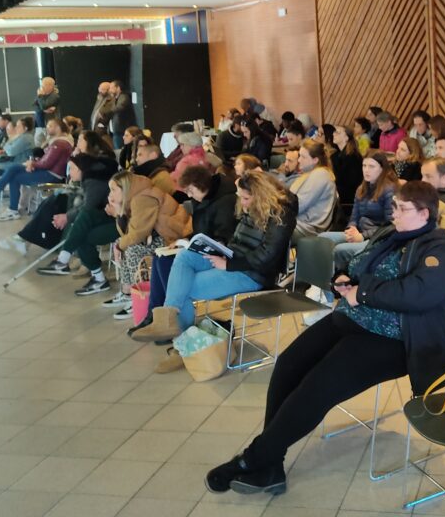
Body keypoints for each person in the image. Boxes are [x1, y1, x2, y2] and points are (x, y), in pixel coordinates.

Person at [203, 180, 445, 496]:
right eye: (394, 207)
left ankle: (253, 458)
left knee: (317, 387)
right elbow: (357, 263)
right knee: (288, 365)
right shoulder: (391, 234)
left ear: (425, 213)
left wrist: (363, 292)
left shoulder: (439, 246)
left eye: (402, 209)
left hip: (394, 339)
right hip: (352, 318)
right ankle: (271, 464)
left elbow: (424, 292)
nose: (394, 214)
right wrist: (344, 278)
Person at [132, 171, 297, 358]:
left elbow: (267, 255)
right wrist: (220, 247)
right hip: (233, 259)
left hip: (252, 273)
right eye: (240, 197)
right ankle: (170, 321)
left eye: (245, 198)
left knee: (183, 287)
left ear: (261, 195)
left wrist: (228, 265)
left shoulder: (281, 213)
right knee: (184, 257)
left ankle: (184, 348)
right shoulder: (255, 206)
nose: (242, 203)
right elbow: (240, 240)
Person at [76, 170, 191, 299]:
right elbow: (127, 233)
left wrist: (119, 245)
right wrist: (119, 212)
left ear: (124, 188)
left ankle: (138, 295)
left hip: (173, 238)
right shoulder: (134, 197)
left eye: (113, 190)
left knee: (132, 249)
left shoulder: (143, 198)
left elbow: (137, 235)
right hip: (158, 235)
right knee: (124, 244)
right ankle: (127, 292)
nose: (110, 194)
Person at [23, 133, 118, 263]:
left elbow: (91, 202)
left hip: (101, 208)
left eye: (80, 139)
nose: (77, 142)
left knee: (67, 204)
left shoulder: (97, 168)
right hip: (88, 197)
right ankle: (59, 247)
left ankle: (66, 252)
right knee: (55, 201)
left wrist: (67, 216)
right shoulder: (89, 164)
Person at [319, 151, 397, 265]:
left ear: (382, 169)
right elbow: (354, 216)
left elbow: (390, 225)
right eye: (364, 166)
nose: (366, 170)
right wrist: (352, 229)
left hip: (377, 238)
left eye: (371, 166)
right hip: (358, 232)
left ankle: (338, 278)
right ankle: (321, 277)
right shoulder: (361, 189)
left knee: (340, 249)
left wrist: (362, 236)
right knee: (322, 238)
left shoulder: (389, 190)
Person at [0, 118, 74, 221]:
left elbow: (47, 164)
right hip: (48, 171)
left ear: (58, 128)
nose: (47, 128)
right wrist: (34, 163)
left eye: (50, 126)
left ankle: (7, 202)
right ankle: (1, 192)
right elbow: (46, 161)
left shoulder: (60, 144)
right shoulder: (58, 142)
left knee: (15, 177)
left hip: (52, 175)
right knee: (14, 168)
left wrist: (33, 163)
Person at [289, 142, 337, 238]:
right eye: (299, 156)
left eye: (303, 157)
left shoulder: (320, 174)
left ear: (315, 160)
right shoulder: (312, 173)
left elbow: (298, 205)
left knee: (266, 228)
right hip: (300, 223)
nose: (299, 160)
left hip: (307, 227)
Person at [329, 125, 363, 207]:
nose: (334, 134)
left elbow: (353, 184)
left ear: (346, 138)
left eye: (338, 132)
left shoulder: (354, 157)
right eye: (334, 132)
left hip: (348, 199)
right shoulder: (335, 155)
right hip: (338, 194)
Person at [108, 80, 136, 149]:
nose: (110, 90)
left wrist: (108, 111)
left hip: (121, 131)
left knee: (121, 151)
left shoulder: (124, 97)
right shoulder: (115, 99)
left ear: (118, 88)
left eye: (112, 88)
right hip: (117, 131)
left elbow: (120, 107)